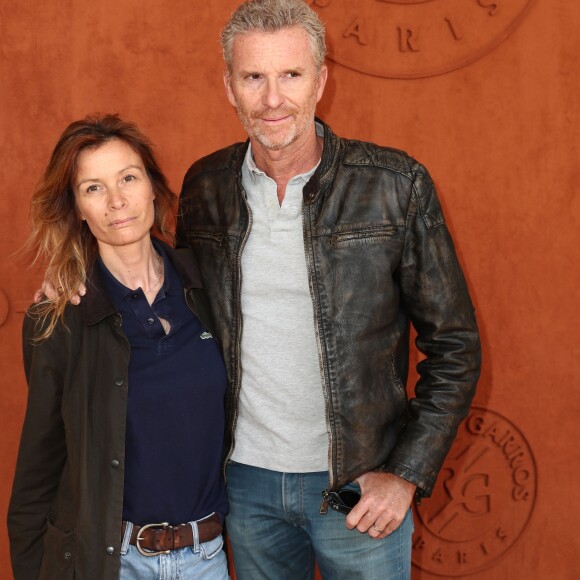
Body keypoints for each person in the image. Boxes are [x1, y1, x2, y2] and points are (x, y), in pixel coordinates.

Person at [175, 0, 481, 578]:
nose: (272, 99)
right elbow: (171, 301)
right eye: (253, 77)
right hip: (244, 484)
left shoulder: (395, 185)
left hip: (358, 487)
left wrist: (407, 473)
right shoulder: (204, 188)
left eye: (290, 74)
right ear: (229, 86)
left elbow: (456, 345)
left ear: (321, 79)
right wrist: (76, 283)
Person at [8, 115, 229, 580]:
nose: (117, 201)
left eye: (128, 178)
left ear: (153, 186)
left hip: (207, 558)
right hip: (109, 563)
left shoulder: (214, 287)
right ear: (77, 209)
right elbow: (39, 470)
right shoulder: (58, 321)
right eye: (93, 188)